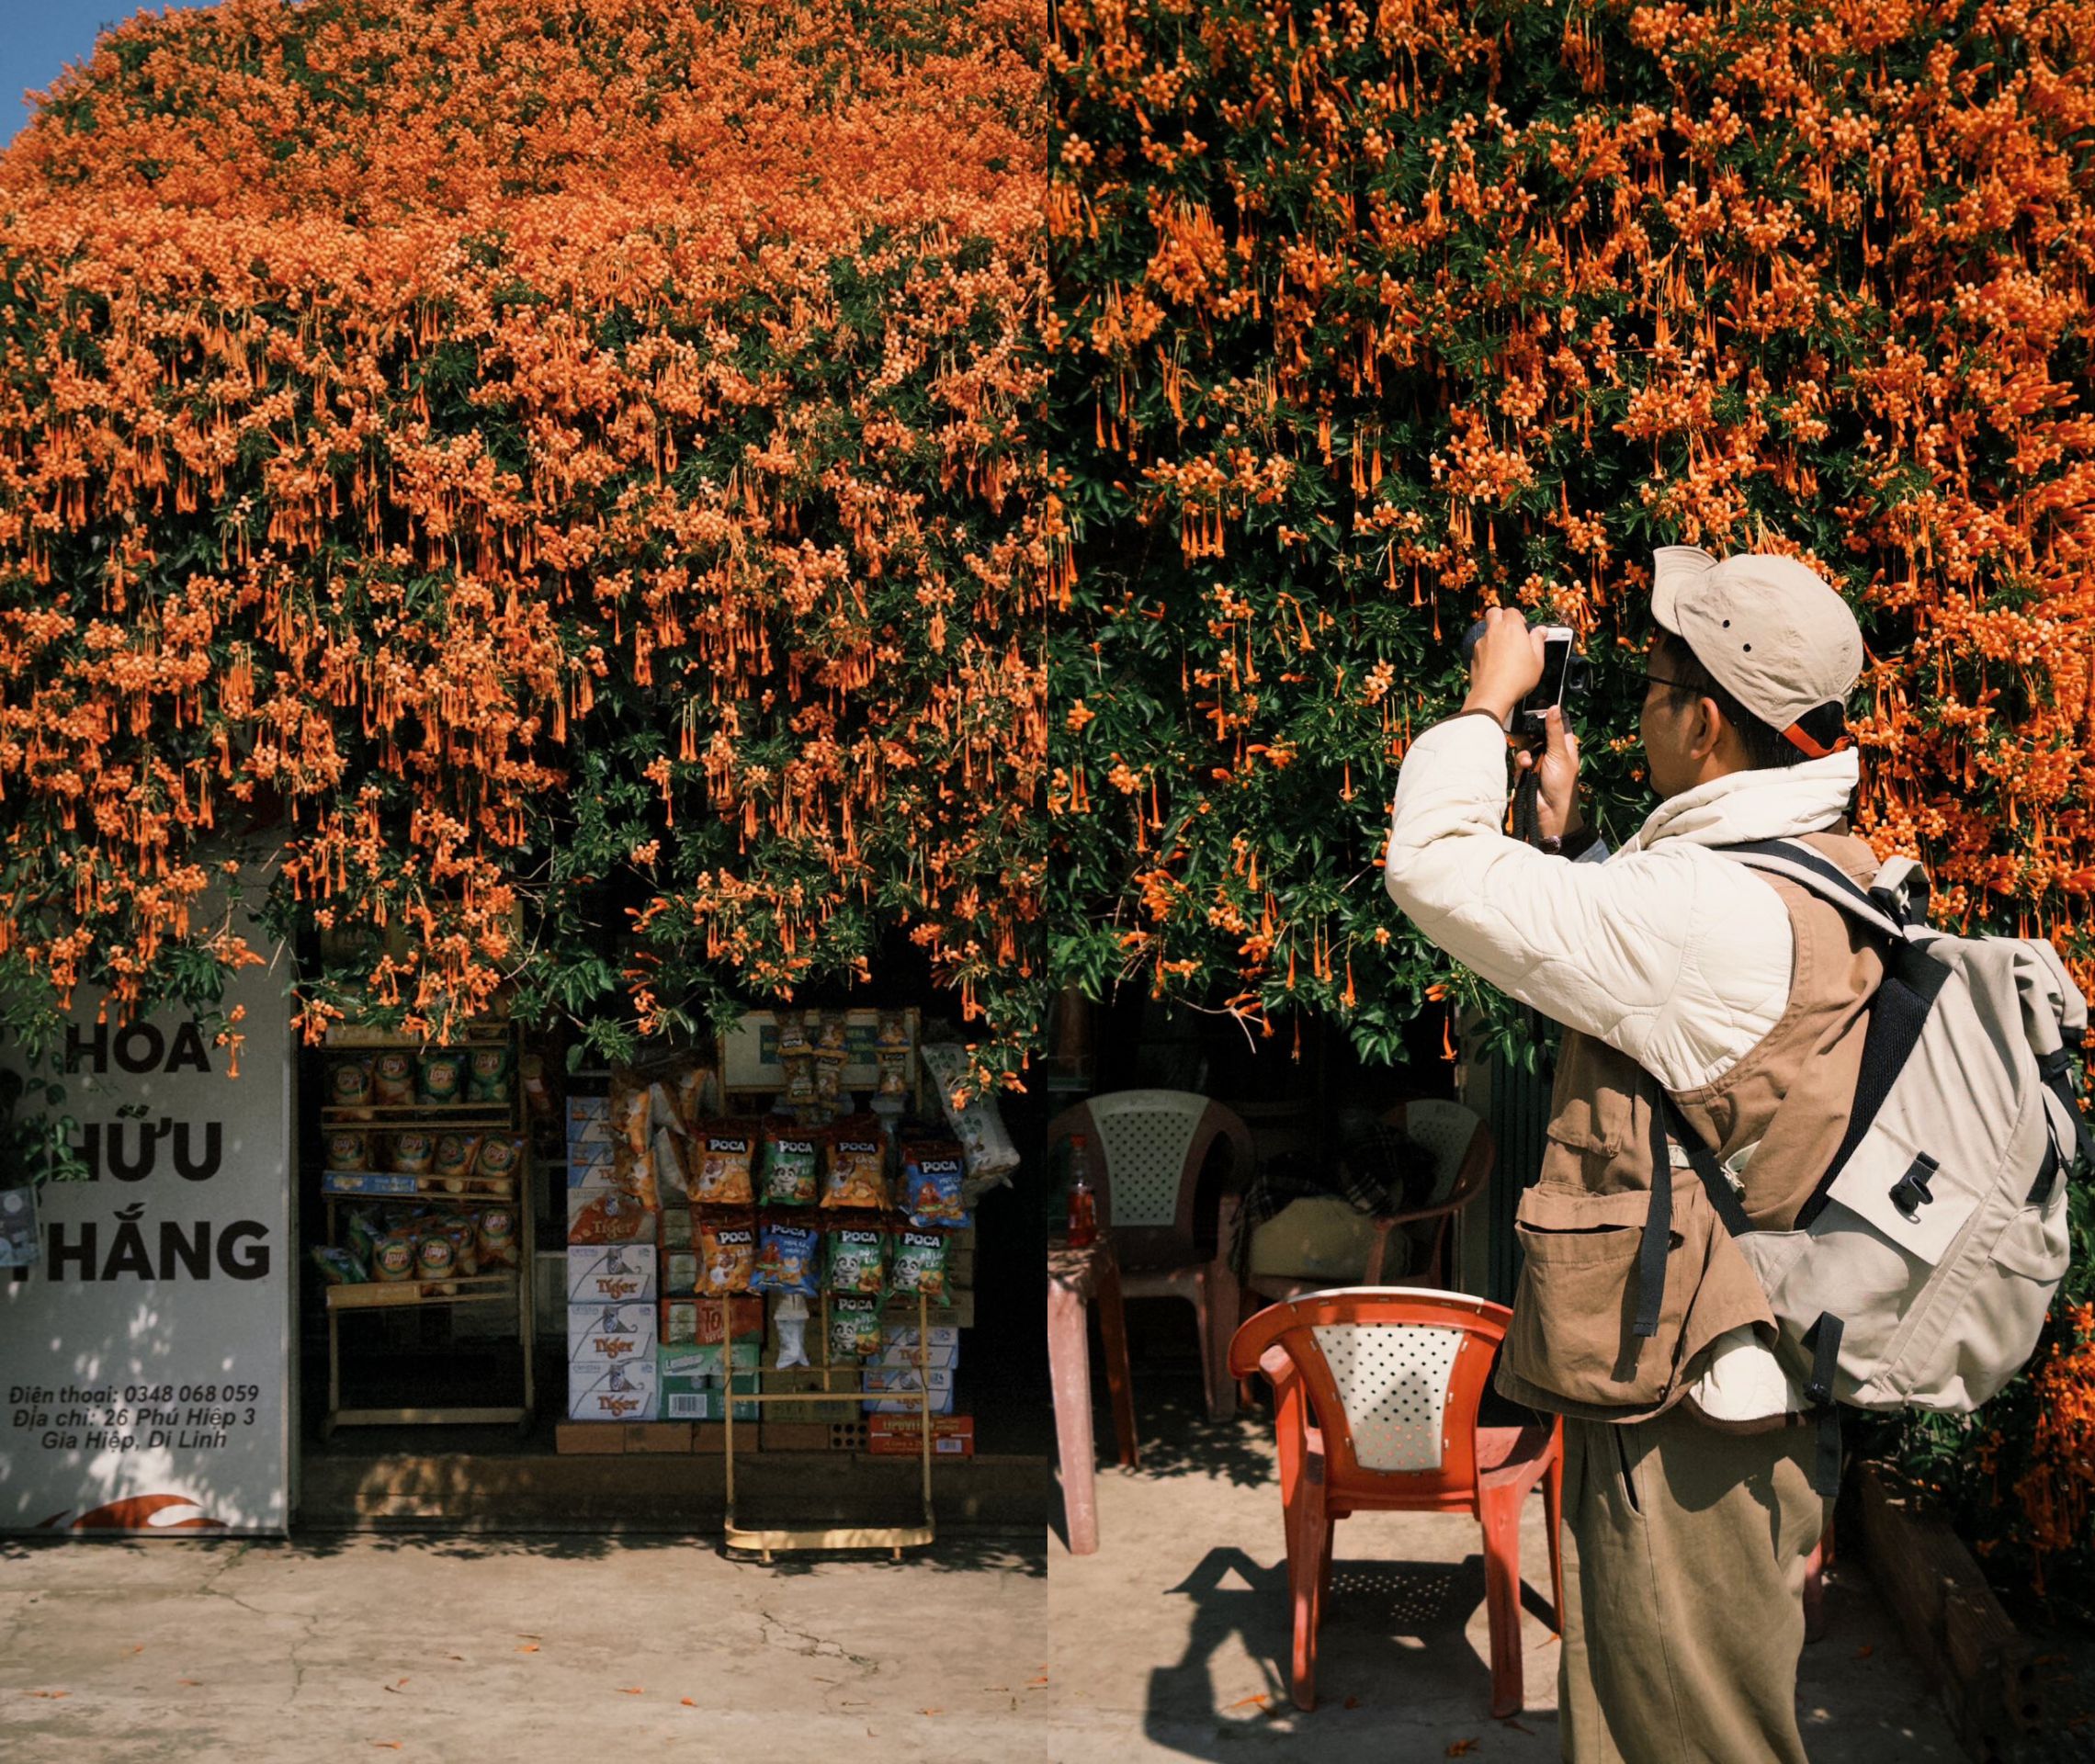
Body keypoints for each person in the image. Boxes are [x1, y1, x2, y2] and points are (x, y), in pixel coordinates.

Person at [1383, 546, 1879, 1763]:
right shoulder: (1825, 871)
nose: (1639, 710)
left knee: (1685, 1737)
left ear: (1704, 723)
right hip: (1742, 1383)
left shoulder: (1704, 913)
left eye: (1654, 688)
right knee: (1685, 1712)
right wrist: (1574, 848)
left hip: (1688, 1410)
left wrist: (1484, 705)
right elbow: (1680, 1019)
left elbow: (1431, 865)